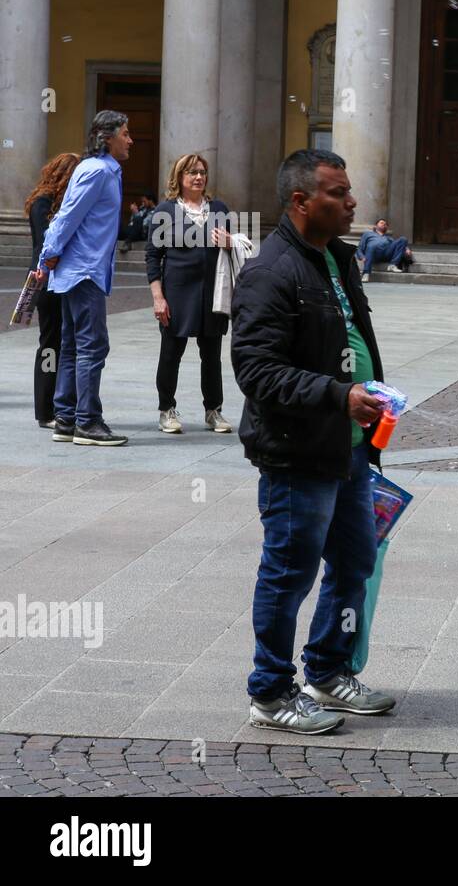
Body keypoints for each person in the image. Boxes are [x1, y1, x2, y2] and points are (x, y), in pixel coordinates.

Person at [231, 148, 395, 734]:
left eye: (349, 190)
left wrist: (368, 400)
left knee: (354, 561)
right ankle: (271, 692)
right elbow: (255, 370)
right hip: (298, 451)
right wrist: (336, 395)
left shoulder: (339, 259)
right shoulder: (271, 271)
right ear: (301, 201)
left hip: (348, 446)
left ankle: (326, 670)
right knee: (289, 572)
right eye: (338, 193)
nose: (352, 202)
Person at [36, 110, 132, 447]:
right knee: (92, 345)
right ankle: (87, 422)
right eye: (125, 133)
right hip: (84, 271)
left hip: (81, 270)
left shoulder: (100, 170)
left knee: (74, 345)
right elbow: (66, 218)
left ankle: (65, 417)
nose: (130, 140)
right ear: (107, 138)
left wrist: (48, 260)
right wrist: (46, 259)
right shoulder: (97, 172)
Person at [147, 153, 235, 435]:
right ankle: (166, 409)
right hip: (177, 293)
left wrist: (230, 242)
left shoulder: (219, 209)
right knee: (171, 354)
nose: (198, 177)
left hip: (212, 294)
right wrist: (158, 298)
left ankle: (214, 410)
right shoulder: (166, 210)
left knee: (212, 357)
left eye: (202, 172)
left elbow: (233, 251)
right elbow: (153, 257)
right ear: (179, 177)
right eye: (192, 172)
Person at [24, 152, 81, 428]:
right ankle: (45, 409)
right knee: (50, 344)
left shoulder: (62, 202)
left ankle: (63, 403)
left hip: (62, 279)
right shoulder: (42, 203)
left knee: (65, 343)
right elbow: (44, 244)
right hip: (45, 280)